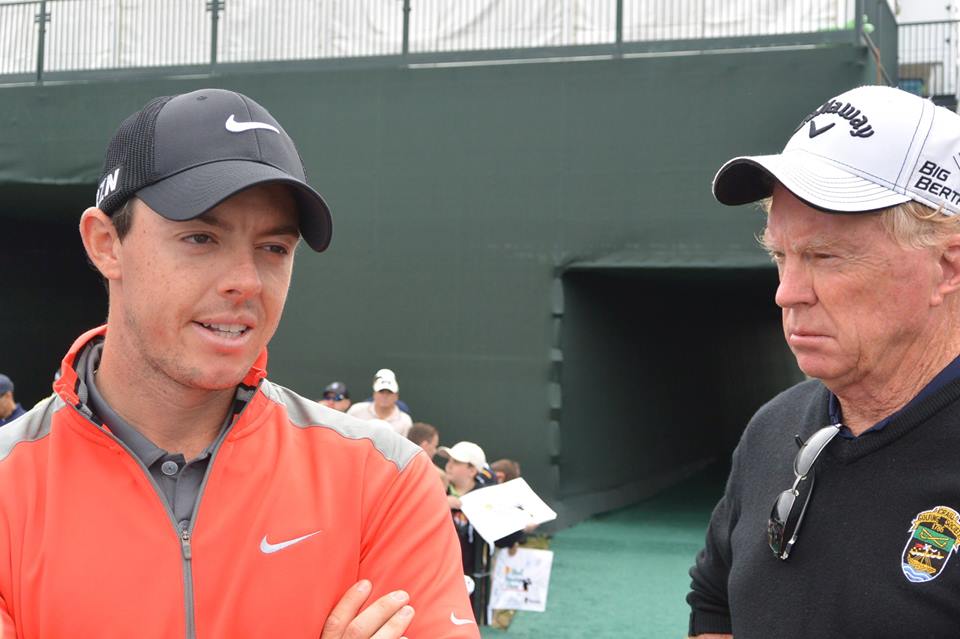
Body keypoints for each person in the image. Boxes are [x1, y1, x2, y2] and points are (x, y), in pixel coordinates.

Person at [0, 89, 477, 638]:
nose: (247, 282)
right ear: (106, 243)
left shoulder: (384, 479)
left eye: (274, 248)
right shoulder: (10, 485)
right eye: (201, 238)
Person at [687, 85, 960, 638]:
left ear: (947, 267)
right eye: (780, 255)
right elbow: (715, 603)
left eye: (824, 256)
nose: (786, 292)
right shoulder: (773, 427)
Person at [347, 368, 413, 436]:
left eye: (389, 392)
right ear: (374, 394)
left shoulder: (405, 422)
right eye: (381, 392)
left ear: (396, 396)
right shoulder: (356, 410)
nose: (385, 396)